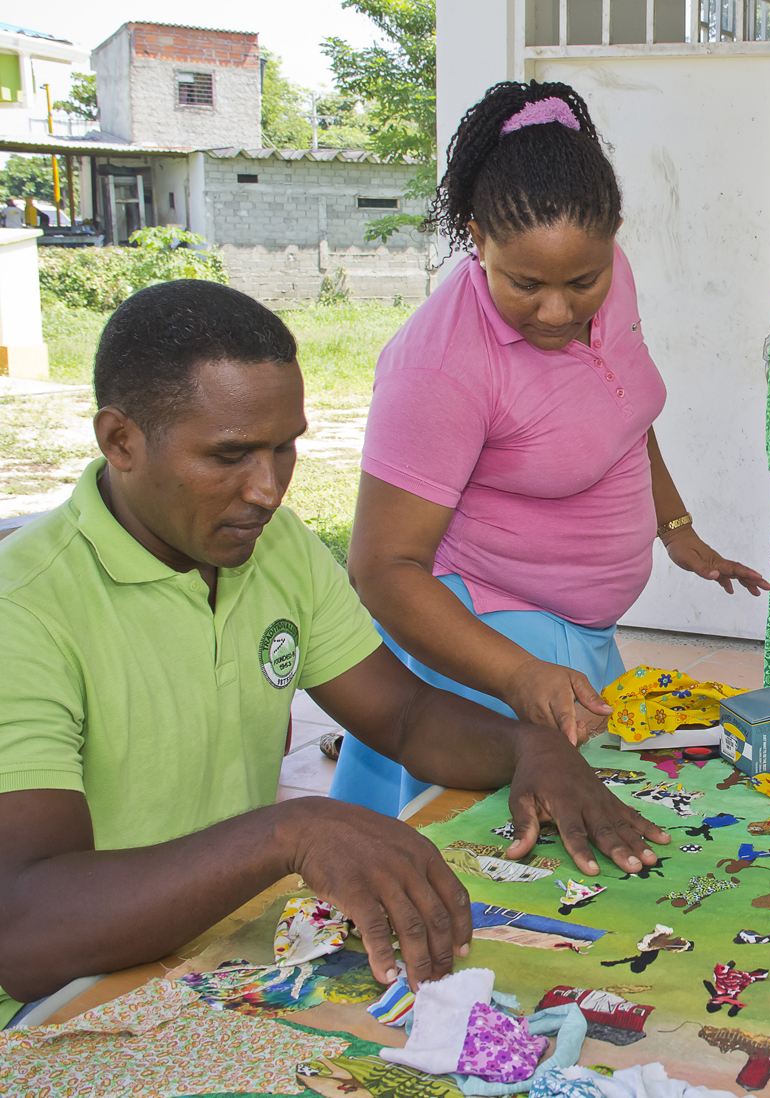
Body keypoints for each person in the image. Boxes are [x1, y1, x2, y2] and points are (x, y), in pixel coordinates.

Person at [0, 281, 668, 1028]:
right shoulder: (23, 611)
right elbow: (27, 930)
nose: (267, 490)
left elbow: (404, 715)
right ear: (120, 440)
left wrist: (527, 746)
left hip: (216, 962)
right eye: (230, 455)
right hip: (64, 1013)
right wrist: (289, 832)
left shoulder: (275, 550)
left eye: (285, 448)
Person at [333, 82, 769, 816]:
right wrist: (514, 672)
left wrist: (675, 527)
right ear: (476, 238)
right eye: (525, 284)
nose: (559, 310)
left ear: (614, 238)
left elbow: (622, 407)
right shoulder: (439, 366)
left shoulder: (611, 280)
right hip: (491, 638)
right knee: (513, 877)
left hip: (574, 637)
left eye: (582, 280)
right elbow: (380, 568)